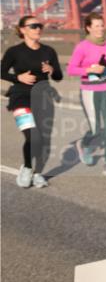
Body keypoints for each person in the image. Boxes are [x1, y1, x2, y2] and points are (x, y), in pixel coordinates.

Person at [2, 15, 63, 188]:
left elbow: (58, 77)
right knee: (32, 135)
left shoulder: (48, 51)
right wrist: (17, 77)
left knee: (44, 139)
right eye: (33, 26)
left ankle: (38, 173)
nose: (38, 29)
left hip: (43, 98)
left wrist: (52, 69)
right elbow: (1, 71)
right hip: (20, 97)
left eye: (40, 26)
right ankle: (27, 168)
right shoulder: (14, 52)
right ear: (22, 30)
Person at [66, 12, 106, 176]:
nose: (101, 29)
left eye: (102, 25)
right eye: (96, 26)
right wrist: (89, 69)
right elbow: (71, 69)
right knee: (96, 129)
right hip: (89, 90)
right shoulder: (82, 47)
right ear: (88, 28)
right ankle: (84, 144)